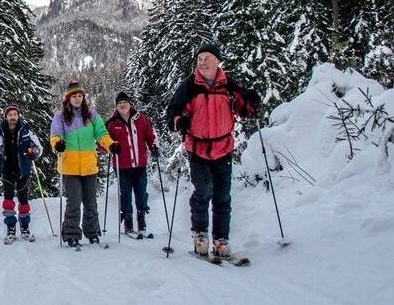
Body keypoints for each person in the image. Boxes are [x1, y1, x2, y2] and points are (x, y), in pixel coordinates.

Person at [167, 44, 261, 259]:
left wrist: (252, 103)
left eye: (207, 57)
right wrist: (179, 121)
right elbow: (172, 113)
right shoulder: (189, 86)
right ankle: (200, 234)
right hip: (198, 148)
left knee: (222, 196)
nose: (202, 62)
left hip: (223, 147)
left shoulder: (228, 85)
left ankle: (221, 238)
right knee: (203, 191)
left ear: (217, 61)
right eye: (200, 58)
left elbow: (244, 108)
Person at [50, 81, 119, 247]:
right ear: (68, 98)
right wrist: (57, 143)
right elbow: (55, 134)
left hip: (89, 166)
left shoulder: (92, 115)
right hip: (70, 167)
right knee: (73, 202)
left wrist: (110, 145)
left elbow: (102, 133)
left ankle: (93, 233)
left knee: (90, 202)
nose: (77, 98)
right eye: (74, 96)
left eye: (80, 95)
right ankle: (71, 234)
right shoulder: (60, 116)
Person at [0, 104, 43, 244]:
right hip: (6, 169)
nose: (13, 117)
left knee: (23, 199)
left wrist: (33, 153)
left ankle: (25, 227)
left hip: (22, 169)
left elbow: (38, 147)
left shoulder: (26, 130)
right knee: (8, 200)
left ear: (18, 116)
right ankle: (10, 228)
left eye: (15, 115)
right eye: (10, 115)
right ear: (5, 117)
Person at [105, 91, 158, 236]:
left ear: (130, 104)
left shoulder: (141, 119)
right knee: (126, 194)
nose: (123, 105)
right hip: (122, 166)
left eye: (125, 102)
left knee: (141, 193)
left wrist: (154, 147)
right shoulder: (111, 123)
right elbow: (103, 142)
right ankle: (128, 223)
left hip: (140, 164)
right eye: (120, 103)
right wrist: (109, 147)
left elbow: (150, 136)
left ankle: (142, 221)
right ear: (116, 106)